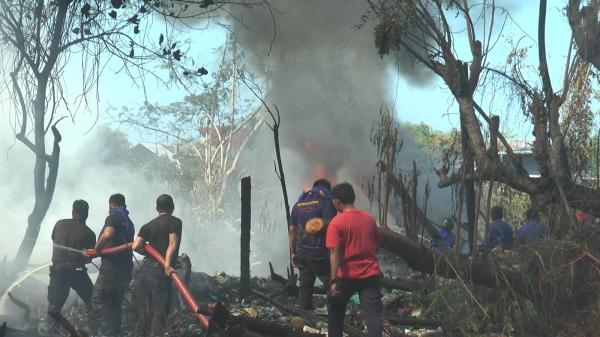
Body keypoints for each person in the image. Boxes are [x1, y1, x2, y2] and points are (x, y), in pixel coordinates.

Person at [326, 182, 383, 337]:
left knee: (335, 312)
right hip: (371, 275)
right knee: (373, 315)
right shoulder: (370, 219)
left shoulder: (336, 223)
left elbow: (335, 253)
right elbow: (377, 245)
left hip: (346, 276)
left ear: (338, 202)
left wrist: (333, 281)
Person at [132, 194, 182, 337]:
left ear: (157, 208)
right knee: (159, 312)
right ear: (172, 207)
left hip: (145, 271)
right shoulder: (175, 222)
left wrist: (149, 253)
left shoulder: (147, 226)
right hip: (160, 272)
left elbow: (136, 246)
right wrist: (167, 265)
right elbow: (173, 243)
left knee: (143, 311)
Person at [48, 200, 96, 335]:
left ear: (73, 211)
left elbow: (55, 241)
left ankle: (50, 333)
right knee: (92, 301)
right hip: (77, 272)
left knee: (53, 308)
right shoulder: (89, 233)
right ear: (86, 214)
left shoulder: (59, 223)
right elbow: (89, 258)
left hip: (57, 271)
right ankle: (94, 331)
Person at [91, 193, 135, 337]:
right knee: (114, 304)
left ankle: (105, 333)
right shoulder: (127, 220)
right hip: (125, 270)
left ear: (110, 204)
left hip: (111, 269)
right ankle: (114, 333)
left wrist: (97, 249)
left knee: (99, 299)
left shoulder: (113, 217)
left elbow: (108, 233)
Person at [289, 179, 336, 310]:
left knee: (305, 287)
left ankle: (305, 320)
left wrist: (293, 253)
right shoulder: (326, 202)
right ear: (327, 190)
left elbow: (292, 231)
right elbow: (332, 228)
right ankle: (335, 315)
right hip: (318, 253)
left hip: (301, 253)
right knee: (332, 283)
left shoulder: (298, 204)